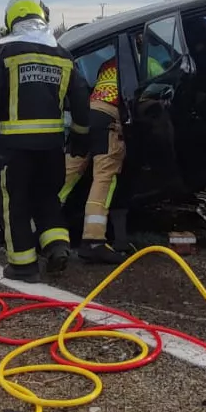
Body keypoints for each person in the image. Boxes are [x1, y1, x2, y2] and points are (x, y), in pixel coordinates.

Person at [0, 0, 91, 282]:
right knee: (48, 198)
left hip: (15, 147)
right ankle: (58, 245)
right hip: (51, 147)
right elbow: (82, 100)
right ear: (41, 16)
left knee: (17, 203)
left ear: (12, 20)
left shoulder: (3, 52)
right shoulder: (61, 54)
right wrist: (80, 134)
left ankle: (23, 265)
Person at [60, 52, 128, 264]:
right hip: (109, 119)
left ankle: (35, 227)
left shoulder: (107, 64)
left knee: (66, 176)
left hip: (86, 117)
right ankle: (93, 240)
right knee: (104, 177)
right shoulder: (138, 60)